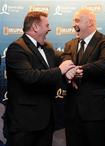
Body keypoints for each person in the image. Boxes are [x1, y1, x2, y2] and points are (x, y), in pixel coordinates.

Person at [5, 11, 74, 146]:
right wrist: (61, 70)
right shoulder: (17, 48)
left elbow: (64, 56)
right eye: (47, 25)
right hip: (24, 125)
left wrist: (69, 69)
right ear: (36, 27)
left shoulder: (47, 46)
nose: (50, 29)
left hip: (46, 123)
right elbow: (30, 77)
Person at [63, 7, 105, 146]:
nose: (74, 24)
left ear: (90, 22)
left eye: (77, 20)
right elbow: (65, 65)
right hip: (72, 112)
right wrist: (69, 74)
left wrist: (78, 70)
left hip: (95, 113)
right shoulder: (69, 44)